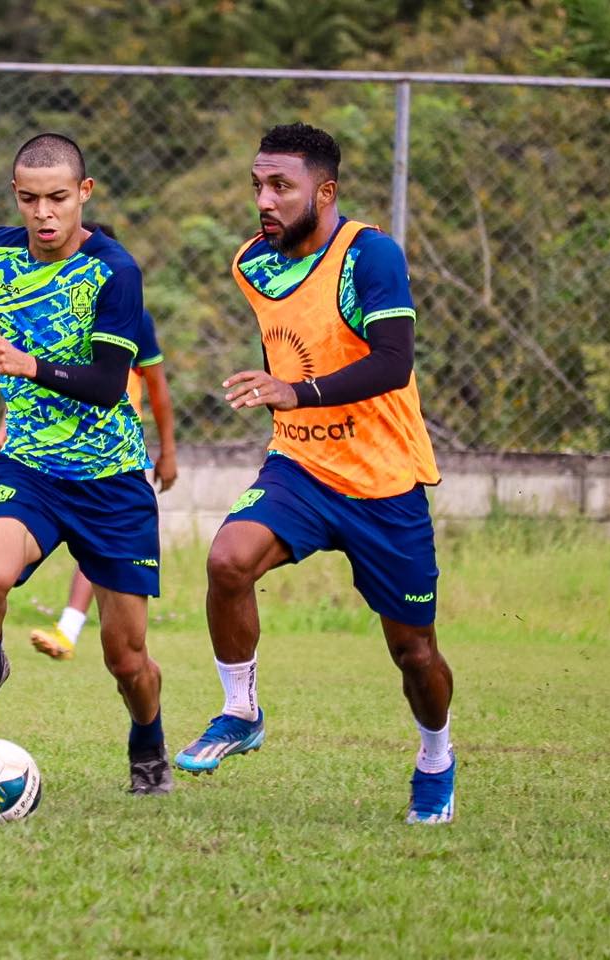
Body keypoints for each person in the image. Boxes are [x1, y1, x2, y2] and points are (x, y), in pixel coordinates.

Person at [173, 123, 455, 824]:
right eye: (257, 186)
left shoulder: (369, 255)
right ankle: (240, 712)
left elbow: (393, 360)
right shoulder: (252, 263)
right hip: (298, 463)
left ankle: (434, 756)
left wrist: (293, 391)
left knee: (414, 653)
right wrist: (285, 399)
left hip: (382, 481)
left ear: (323, 192)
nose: (263, 200)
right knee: (227, 560)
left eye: (281, 187)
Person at [0, 133, 172, 795]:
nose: (44, 213)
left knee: (125, 660)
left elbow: (105, 381)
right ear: (16, 196)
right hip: (30, 468)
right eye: (30, 199)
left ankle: (147, 744)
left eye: (58, 198)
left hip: (111, 481)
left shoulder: (114, 271)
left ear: (83, 195)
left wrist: (27, 364)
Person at [21, 223, 178, 660]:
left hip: (111, 450)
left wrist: (168, 450)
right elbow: (31, 373)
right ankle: (67, 627)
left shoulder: (131, 313)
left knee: (99, 542)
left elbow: (159, 390)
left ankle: (69, 627)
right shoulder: (50, 306)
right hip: (51, 447)